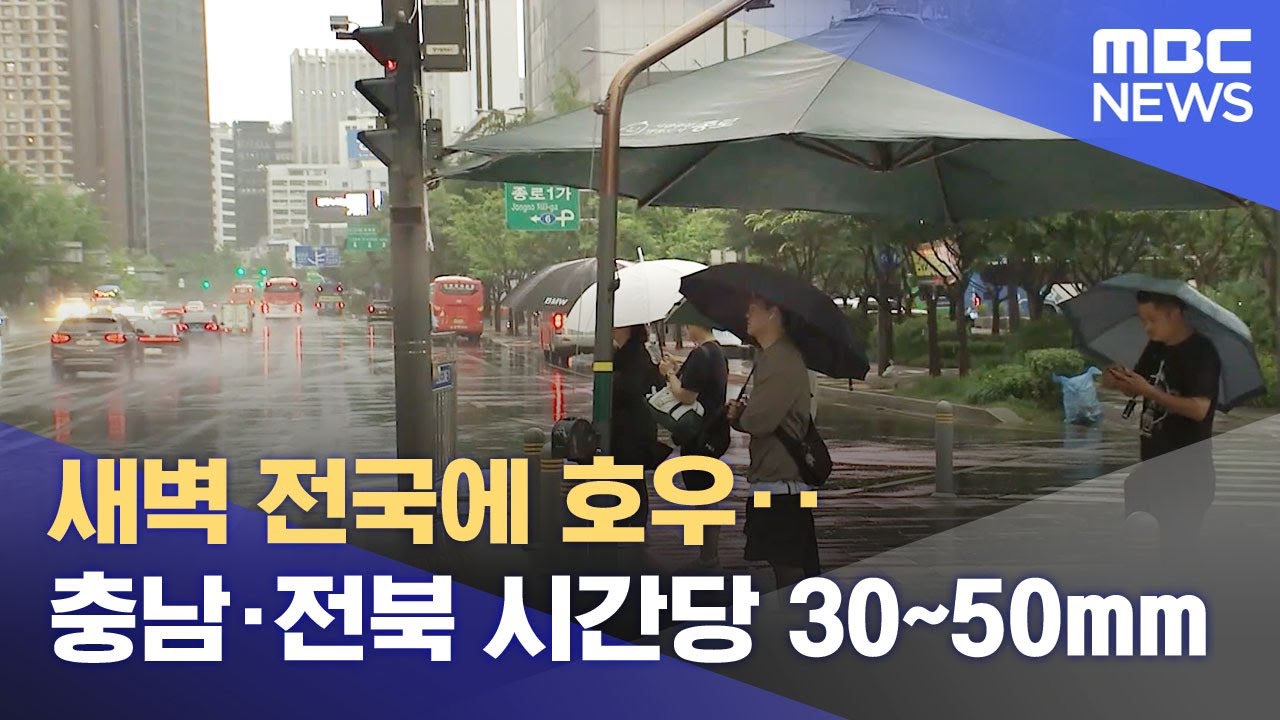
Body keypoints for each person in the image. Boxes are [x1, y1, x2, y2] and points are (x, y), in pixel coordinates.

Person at [1102, 291, 1219, 557]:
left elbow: (1199, 409)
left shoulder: (1201, 352)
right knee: (1138, 553)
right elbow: (1138, 387)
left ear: (1173, 314)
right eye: (1143, 320)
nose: (1147, 327)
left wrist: (1149, 391)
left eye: (1152, 319)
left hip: (1186, 476)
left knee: (1175, 556)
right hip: (1150, 473)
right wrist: (1118, 380)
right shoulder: (1156, 348)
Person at [727, 296, 821, 589]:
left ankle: (796, 615)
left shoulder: (781, 360)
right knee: (787, 563)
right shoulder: (771, 356)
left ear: (773, 314)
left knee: (787, 565)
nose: (747, 314)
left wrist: (740, 417)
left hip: (781, 485)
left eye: (753, 309)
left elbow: (760, 421)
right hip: (776, 481)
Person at [659, 323, 730, 568]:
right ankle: (708, 555)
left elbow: (686, 395)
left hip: (697, 435)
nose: (687, 329)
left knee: (704, 496)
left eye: (689, 324)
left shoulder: (701, 354)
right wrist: (678, 364)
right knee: (707, 495)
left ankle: (708, 557)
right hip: (712, 433)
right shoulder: (716, 352)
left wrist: (669, 374)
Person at [610, 324, 668, 529]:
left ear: (628, 328)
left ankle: (632, 528)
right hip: (626, 428)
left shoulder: (634, 355)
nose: (612, 328)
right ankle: (630, 526)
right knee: (628, 481)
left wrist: (612, 381)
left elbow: (631, 388)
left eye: (616, 325)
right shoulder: (623, 353)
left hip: (632, 430)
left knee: (631, 481)